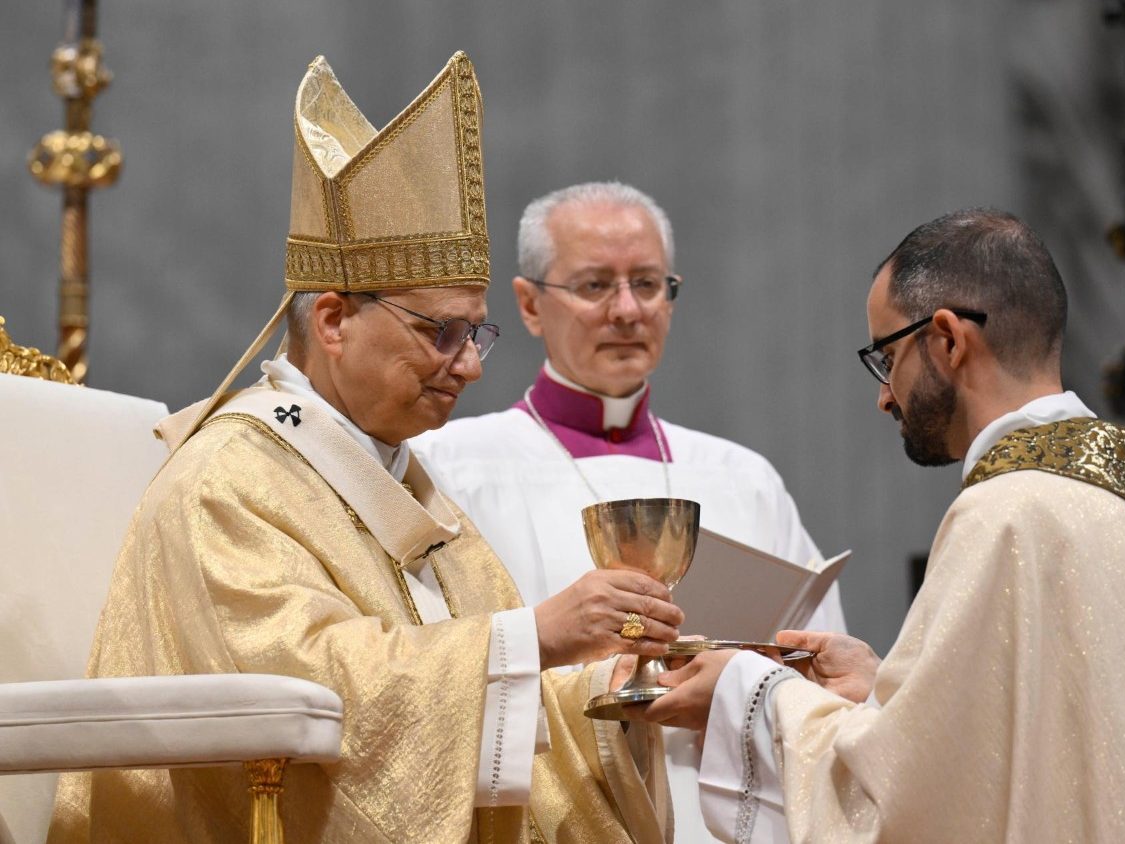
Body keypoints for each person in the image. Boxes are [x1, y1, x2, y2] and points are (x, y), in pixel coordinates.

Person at [49, 54, 681, 844]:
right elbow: (306, 690)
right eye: (440, 333)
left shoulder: (404, 479)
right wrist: (537, 636)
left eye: (475, 332)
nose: (474, 364)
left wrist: (607, 696)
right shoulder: (228, 481)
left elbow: (475, 694)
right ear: (336, 320)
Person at [637, 208, 1125, 842]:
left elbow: (912, 806)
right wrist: (889, 691)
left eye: (885, 357)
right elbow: (1060, 744)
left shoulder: (1007, 514)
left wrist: (753, 693)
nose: (884, 394)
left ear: (946, 339)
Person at [411, 181, 847, 842]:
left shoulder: (742, 478)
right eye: (594, 286)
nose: (626, 311)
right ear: (529, 304)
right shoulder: (450, 468)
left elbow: (821, 676)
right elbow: (430, 670)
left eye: (647, 284)